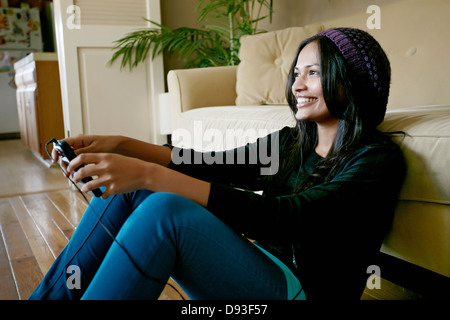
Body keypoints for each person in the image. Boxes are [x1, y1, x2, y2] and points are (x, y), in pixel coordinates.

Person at [29, 27, 405, 300]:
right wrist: (125, 147)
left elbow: (287, 217)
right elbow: (211, 164)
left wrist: (149, 173)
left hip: (302, 292)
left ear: (352, 81)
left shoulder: (377, 161)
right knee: (140, 189)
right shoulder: (292, 142)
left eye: (314, 72)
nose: (297, 85)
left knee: (164, 207)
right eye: (296, 73)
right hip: (262, 269)